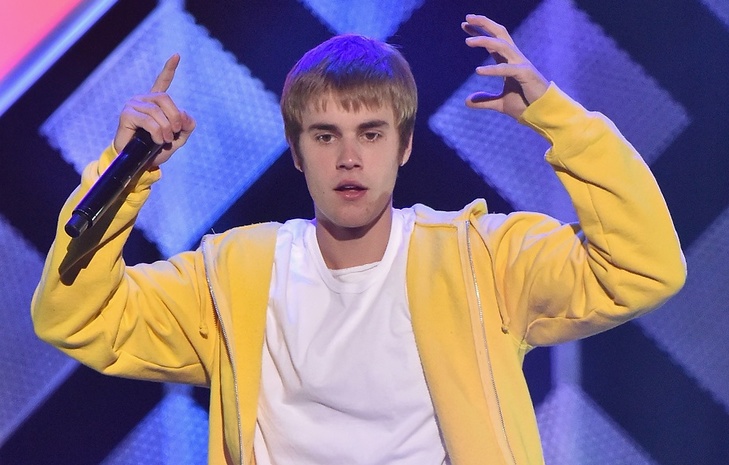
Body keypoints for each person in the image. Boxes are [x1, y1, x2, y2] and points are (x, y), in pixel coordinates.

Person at [32, 13, 686, 465]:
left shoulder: (479, 259)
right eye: (325, 136)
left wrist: (559, 120)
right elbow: (76, 316)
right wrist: (122, 174)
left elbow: (644, 267)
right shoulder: (235, 273)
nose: (349, 157)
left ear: (404, 146)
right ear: (296, 152)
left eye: (371, 134)